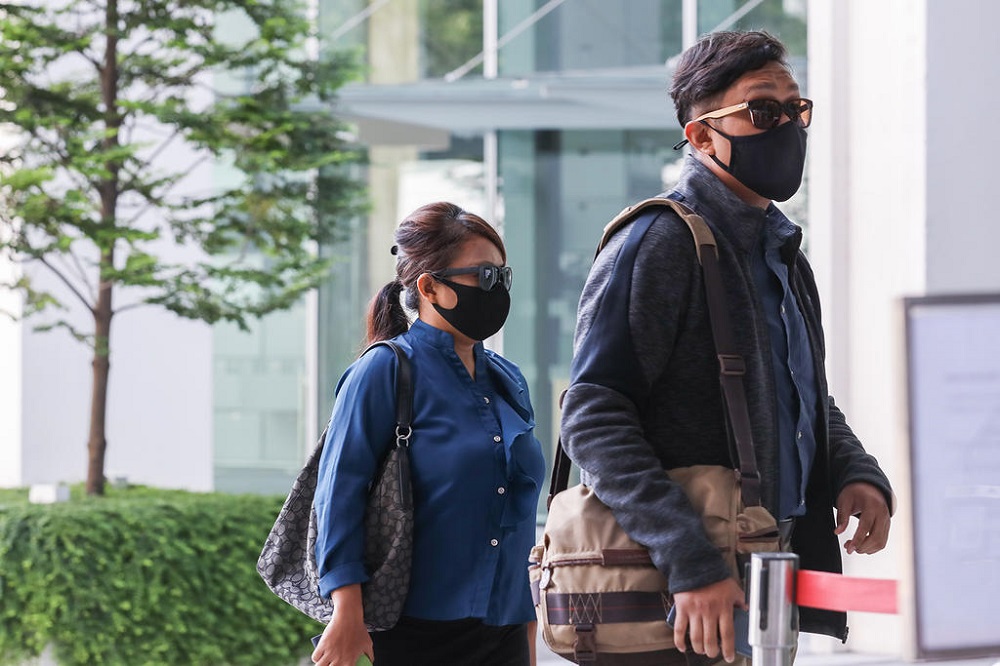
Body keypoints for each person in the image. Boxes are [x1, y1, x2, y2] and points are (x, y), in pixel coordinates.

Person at [560, 31, 895, 665]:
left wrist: (855, 471)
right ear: (702, 137)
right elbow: (593, 417)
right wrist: (689, 561)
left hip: (768, 568)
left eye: (796, 108)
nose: (788, 125)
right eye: (762, 110)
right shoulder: (660, 242)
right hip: (682, 591)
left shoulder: (779, 251)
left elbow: (800, 394)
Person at [310, 202, 545, 666]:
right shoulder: (383, 370)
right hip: (415, 631)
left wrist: (528, 629)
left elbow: (515, 516)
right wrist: (347, 612)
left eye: (503, 275)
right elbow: (338, 496)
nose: (496, 290)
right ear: (430, 286)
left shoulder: (507, 378)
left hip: (505, 628)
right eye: (484, 277)